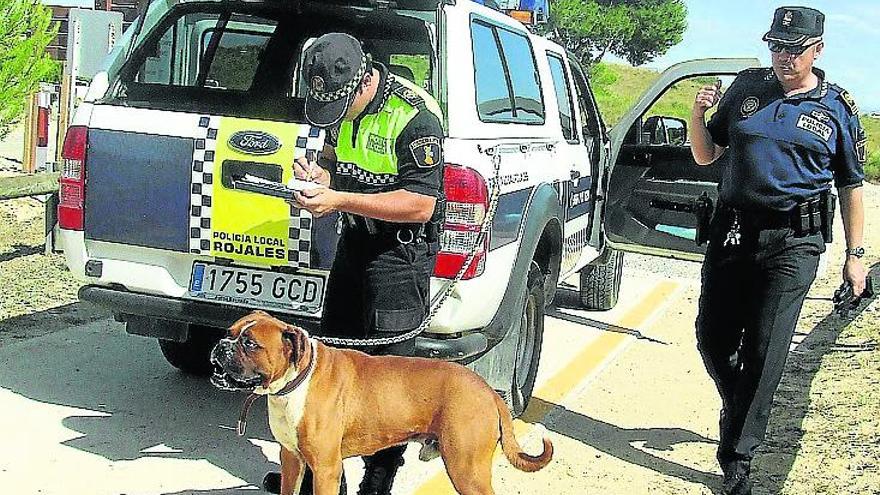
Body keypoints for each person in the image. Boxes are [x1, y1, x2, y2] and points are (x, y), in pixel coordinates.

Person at [689, 6, 867, 495]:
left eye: (795, 49)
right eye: (777, 47)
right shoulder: (747, 89)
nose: (784, 58)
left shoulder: (836, 109)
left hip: (795, 243)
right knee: (713, 339)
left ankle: (738, 461)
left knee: (766, 352)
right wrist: (697, 115)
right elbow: (709, 155)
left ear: (818, 50)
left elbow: (852, 186)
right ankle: (740, 402)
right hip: (733, 233)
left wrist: (857, 255)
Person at [264, 32, 445, 495]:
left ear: (364, 80)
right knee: (329, 359)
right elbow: (339, 162)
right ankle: (324, 476)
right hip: (355, 245)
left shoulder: (414, 117)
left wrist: (339, 198)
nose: (334, 118)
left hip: (398, 254)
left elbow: (421, 203)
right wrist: (319, 176)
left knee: (386, 380)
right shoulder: (339, 105)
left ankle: (377, 483)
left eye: (339, 107)